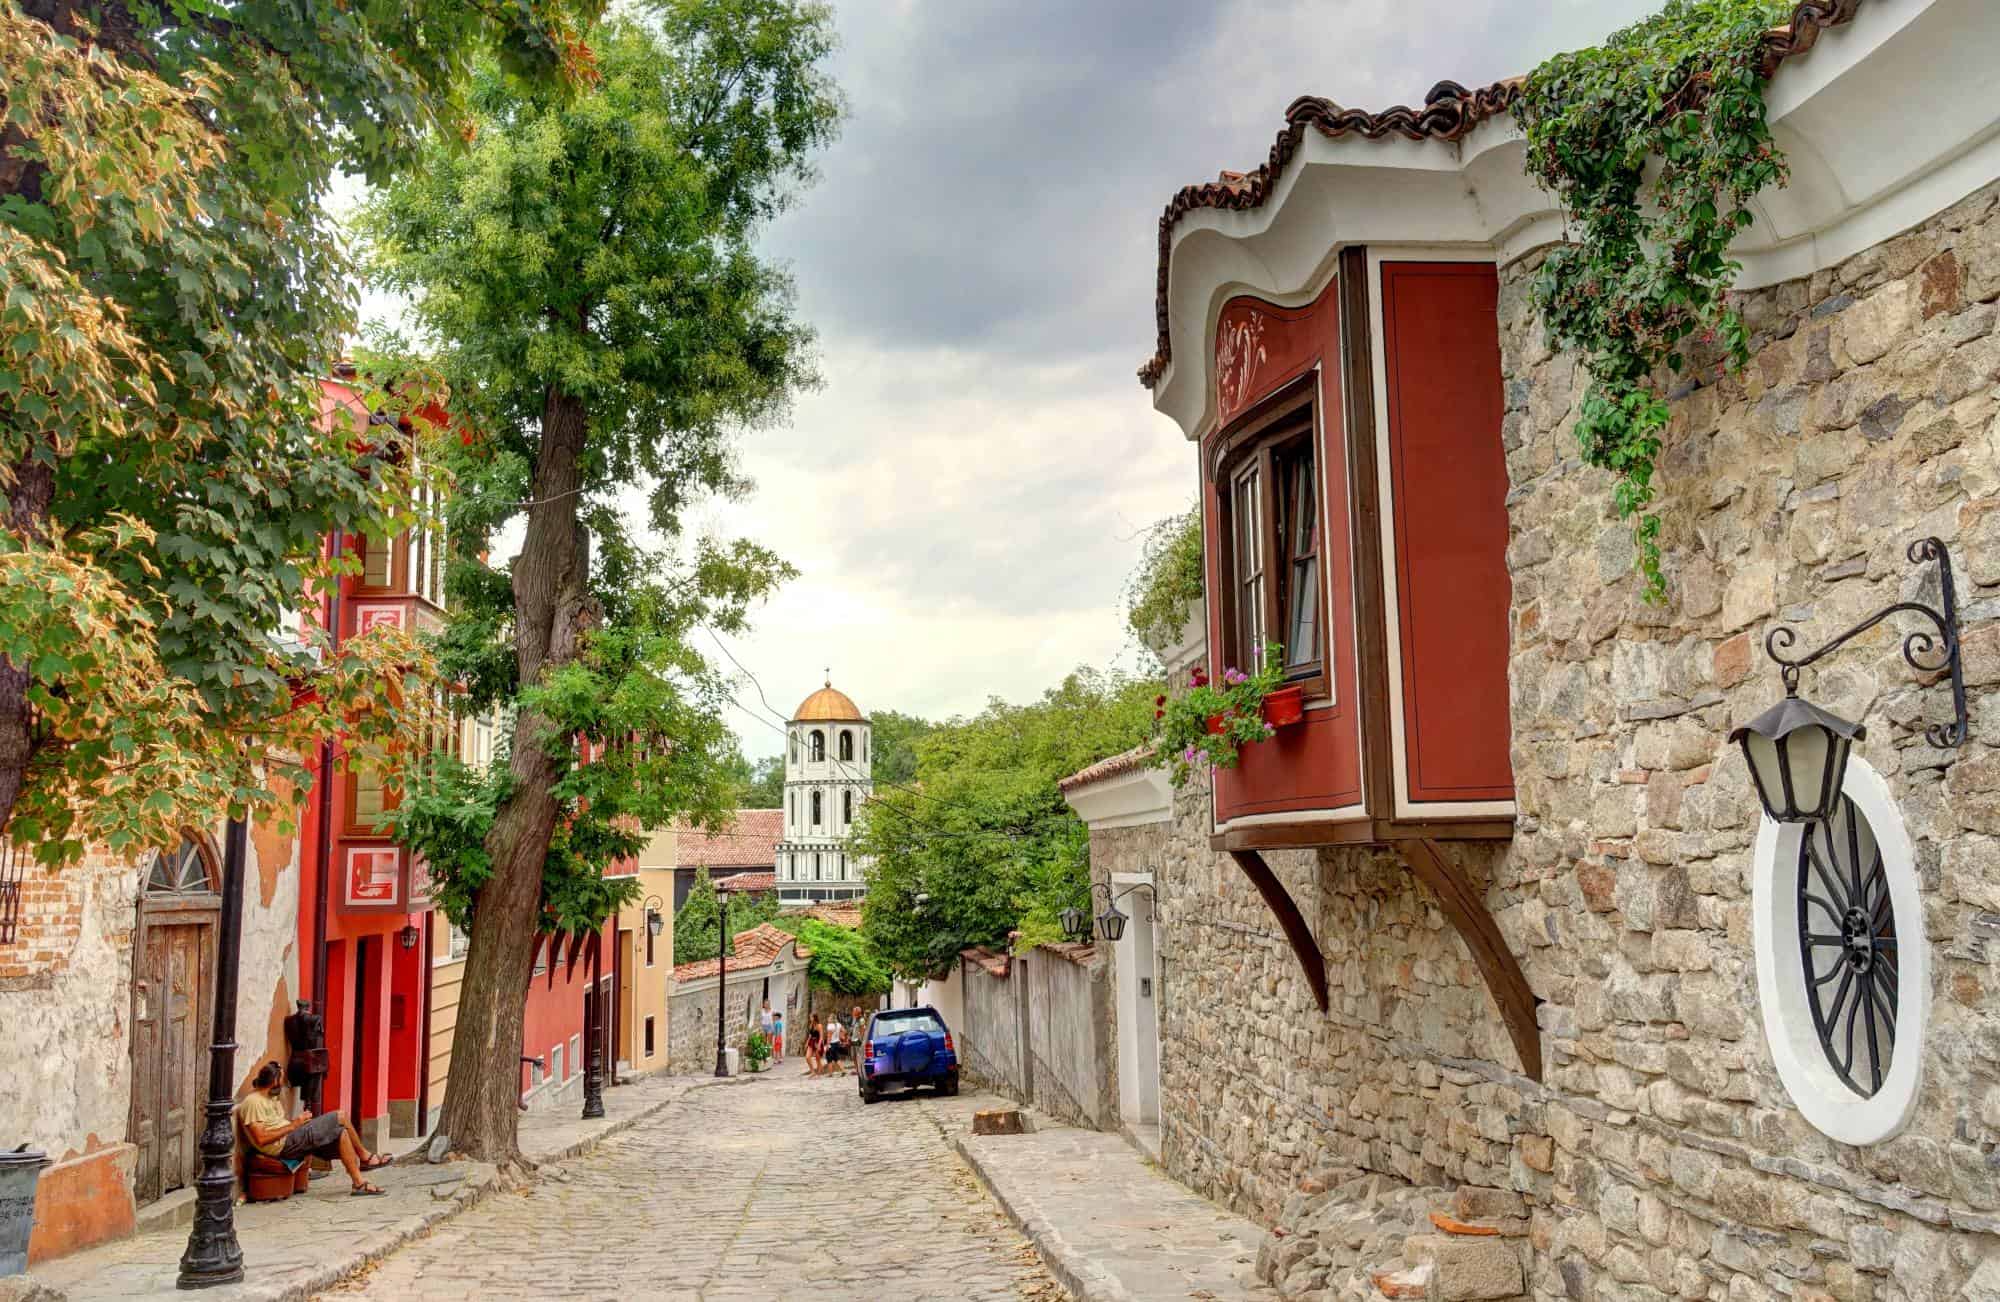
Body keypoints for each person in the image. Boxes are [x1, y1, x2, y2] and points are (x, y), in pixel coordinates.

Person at [236, 1061, 392, 1196]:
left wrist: (297, 1124)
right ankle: (365, 1157)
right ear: (274, 1081)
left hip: (291, 1138)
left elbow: (276, 1126)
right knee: (340, 1116)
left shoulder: (270, 1098)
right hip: (283, 1146)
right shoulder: (253, 1102)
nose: (283, 1084)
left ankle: (359, 1183)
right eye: (281, 1080)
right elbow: (261, 1138)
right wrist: (295, 1124)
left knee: (341, 1133)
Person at [823, 1008, 848, 1075]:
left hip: (831, 1043)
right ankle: (843, 1070)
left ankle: (830, 1073)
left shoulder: (830, 1026)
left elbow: (829, 1037)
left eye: (829, 1017)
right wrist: (840, 1036)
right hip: (837, 1043)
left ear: (831, 1018)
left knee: (829, 1058)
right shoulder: (838, 1024)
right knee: (836, 1058)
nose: (828, 1018)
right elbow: (845, 1031)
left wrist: (827, 1045)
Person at [804, 1013, 824, 1077]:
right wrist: (807, 1042)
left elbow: (821, 1036)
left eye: (811, 1017)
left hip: (817, 1042)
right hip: (811, 1042)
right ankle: (812, 1071)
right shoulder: (811, 1025)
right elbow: (810, 1035)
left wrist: (819, 1045)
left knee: (818, 1059)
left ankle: (819, 1072)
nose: (810, 1018)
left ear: (814, 1018)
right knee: (807, 1057)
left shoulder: (819, 1025)